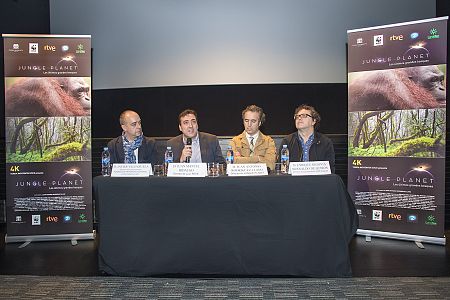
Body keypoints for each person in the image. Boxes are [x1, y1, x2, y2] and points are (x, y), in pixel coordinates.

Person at [279, 104, 335, 173]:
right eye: (297, 116)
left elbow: (330, 169)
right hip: (293, 182)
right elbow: (282, 168)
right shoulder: (287, 141)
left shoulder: (325, 142)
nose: (299, 118)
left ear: (314, 121)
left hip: (318, 181)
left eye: (304, 116)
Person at [229, 105, 276, 170]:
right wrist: (258, 158)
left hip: (261, 179)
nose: (249, 124)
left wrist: (242, 160)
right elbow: (232, 163)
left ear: (259, 123)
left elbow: (271, 165)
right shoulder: (234, 141)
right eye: (246, 120)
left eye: (253, 121)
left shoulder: (268, 141)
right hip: (241, 179)